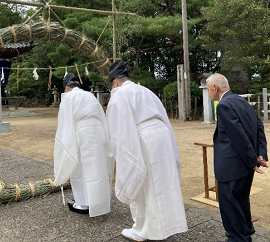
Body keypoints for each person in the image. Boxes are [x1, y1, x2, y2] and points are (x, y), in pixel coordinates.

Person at [106, 60, 188, 241]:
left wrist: (122, 154)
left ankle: (142, 230)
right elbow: (164, 117)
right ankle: (165, 225)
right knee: (162, 180)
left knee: (144, 184)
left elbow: (118, 130)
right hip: (162, 136)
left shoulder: (119, 94)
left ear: (115, 83)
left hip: (144, 138)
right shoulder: (146, 91)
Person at [206, 73, 268, 242]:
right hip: (245, 166)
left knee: (230, 204)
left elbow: (238, 136)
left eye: (207, 89)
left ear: (214, 87)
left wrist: (252, 159)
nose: (208, 93)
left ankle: (237, 238)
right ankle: (245, 234)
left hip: (232, 166)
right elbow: (259, 124)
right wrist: (260, 153)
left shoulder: (223, 105)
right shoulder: (241, 101)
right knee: (241, 200)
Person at [53, 73, 113, 217]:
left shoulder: (68, 97)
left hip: (81, 131)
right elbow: (101, 115)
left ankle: (83, 203)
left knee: (79, 168)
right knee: (97, 167)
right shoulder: (90, 96)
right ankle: (98, 202)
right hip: (97, 130)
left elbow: (65, 122)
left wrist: (65, 142)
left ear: (67, 88)